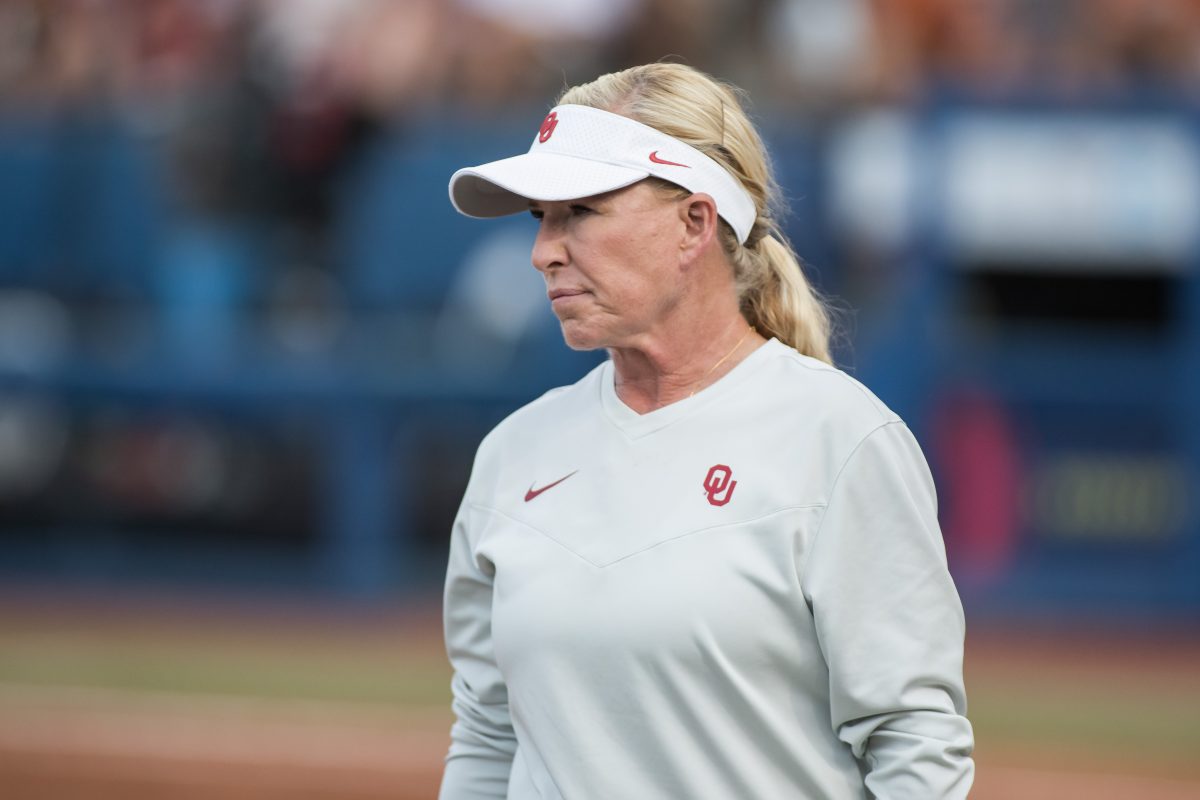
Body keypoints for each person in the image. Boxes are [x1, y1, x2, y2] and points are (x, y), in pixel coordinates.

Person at [440, 62, 974, 799]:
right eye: (541, 218)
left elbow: (916, 744)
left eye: (580, 213)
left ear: (694, 223)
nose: (543, 251)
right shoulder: (511, 455)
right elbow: (488, 734)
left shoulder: (841, 440)